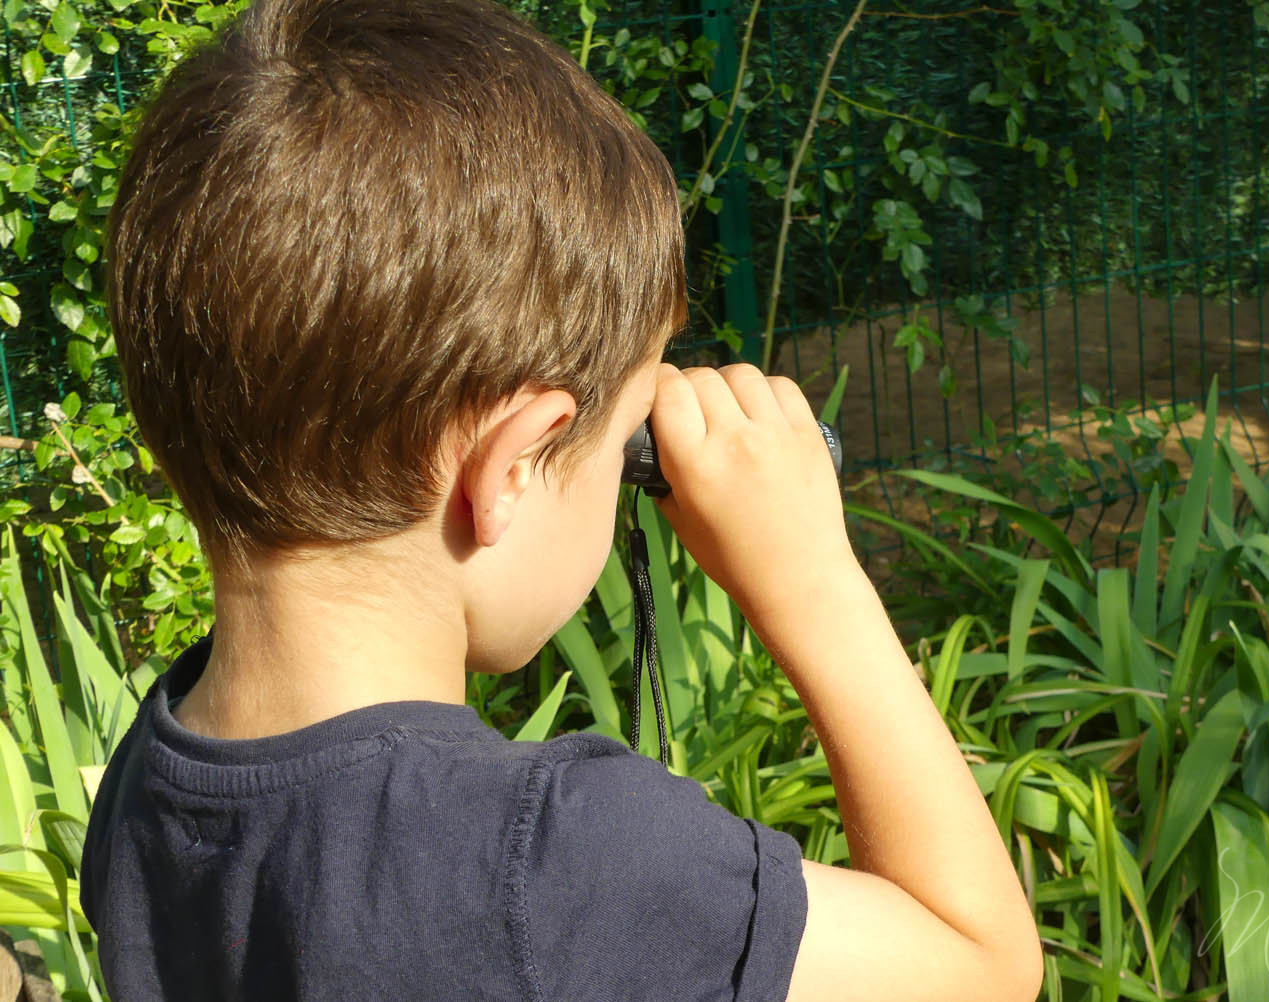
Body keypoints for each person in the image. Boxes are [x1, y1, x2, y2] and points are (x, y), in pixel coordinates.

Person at [78, 0, 1044, 999]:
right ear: (510, 465)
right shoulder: (553, 864)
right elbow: (981, 961)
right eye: (627, 438)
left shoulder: (146, 792)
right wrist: (810, 577)